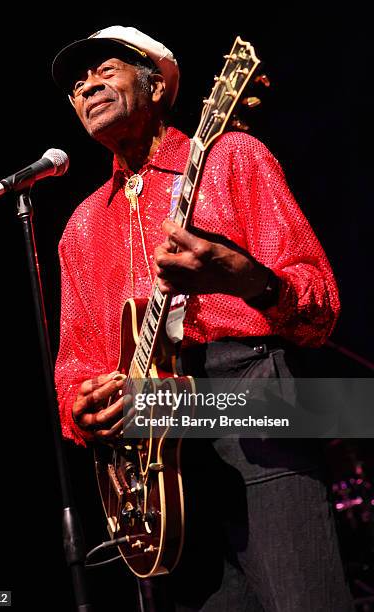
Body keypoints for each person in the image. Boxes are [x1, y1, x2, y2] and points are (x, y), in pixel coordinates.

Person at [51, 26, 354, 611]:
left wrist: (248, 280)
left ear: (158, 87)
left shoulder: (231, 158)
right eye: (77, 85)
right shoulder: (81, 228)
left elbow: (321, 311)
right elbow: (74, 363)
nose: (88, 86)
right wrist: (82, 405)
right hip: (154, 454)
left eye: (105, 70)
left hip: (252, 397)